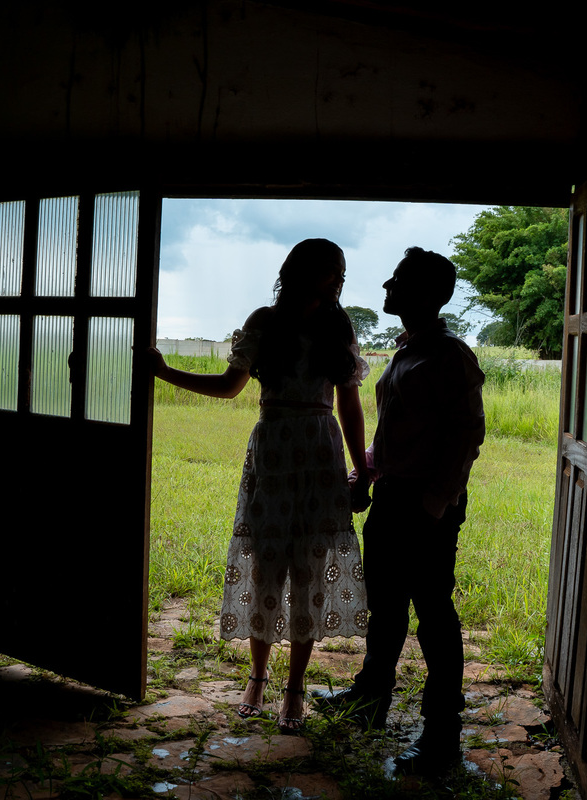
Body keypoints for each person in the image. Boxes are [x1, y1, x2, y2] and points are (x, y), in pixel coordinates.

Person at [145, 238, 371, 734]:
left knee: (310, 570)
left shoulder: (339, 326)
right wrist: (165, 374)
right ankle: (257, 677)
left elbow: (350, 405)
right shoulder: (265, 322)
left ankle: (294, 688)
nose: (336, 279)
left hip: (319, 451)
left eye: (340, 271)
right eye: (328, 269)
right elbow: (229, 387)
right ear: (300, 271)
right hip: (272, 452)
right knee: (267, 568)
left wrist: (361, 469)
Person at [314, 246, 485, 777]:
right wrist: (366, 469)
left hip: (424, 507)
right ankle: (372, 699)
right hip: (394, 498)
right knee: (385, 606)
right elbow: (400, 435)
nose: (386, 288)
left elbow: (465, 438)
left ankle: (441, 737)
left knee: (433, 615)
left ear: (429, 296)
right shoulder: (410, 350)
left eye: (398, 282)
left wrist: (434, 505)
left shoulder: (450, 356)